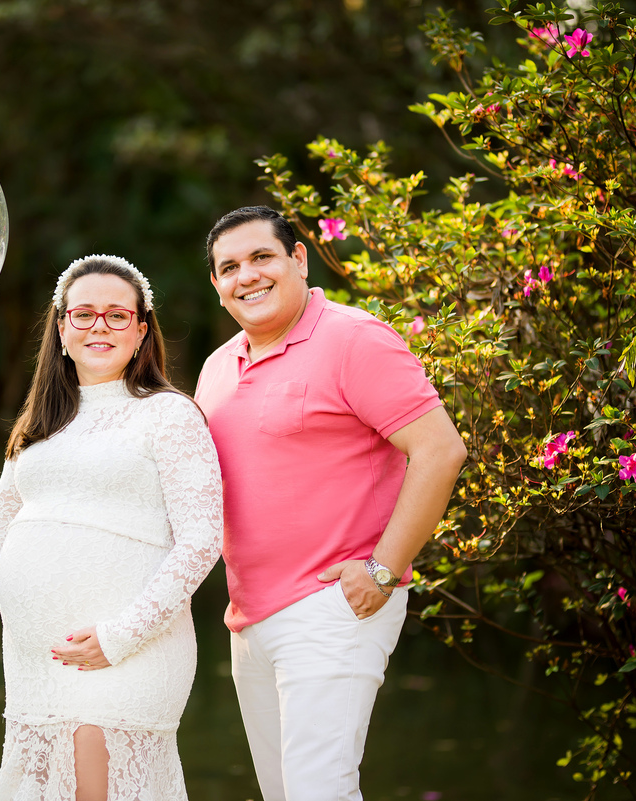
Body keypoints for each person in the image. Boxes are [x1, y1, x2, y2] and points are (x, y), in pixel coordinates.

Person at [0, 255, 223, 801]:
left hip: (126, 651)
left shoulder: (169, 415)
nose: (98, 326)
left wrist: (120, 636)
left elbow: (202, 540)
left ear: (142, 331)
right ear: (61, 328)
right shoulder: (38, 426)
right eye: (83, 314)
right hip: (37, 663)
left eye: (116, 315)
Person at [194, 207, 467, 801]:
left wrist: (383, 569)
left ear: (298, 259)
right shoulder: (217, 368)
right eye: (229, 267)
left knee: (320, 790)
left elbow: (440, 451)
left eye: (261, 257)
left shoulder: (353, 338)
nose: (247, 276)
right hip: (248, 619)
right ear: (217, 288)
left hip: (335, 603)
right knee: (282, 792)